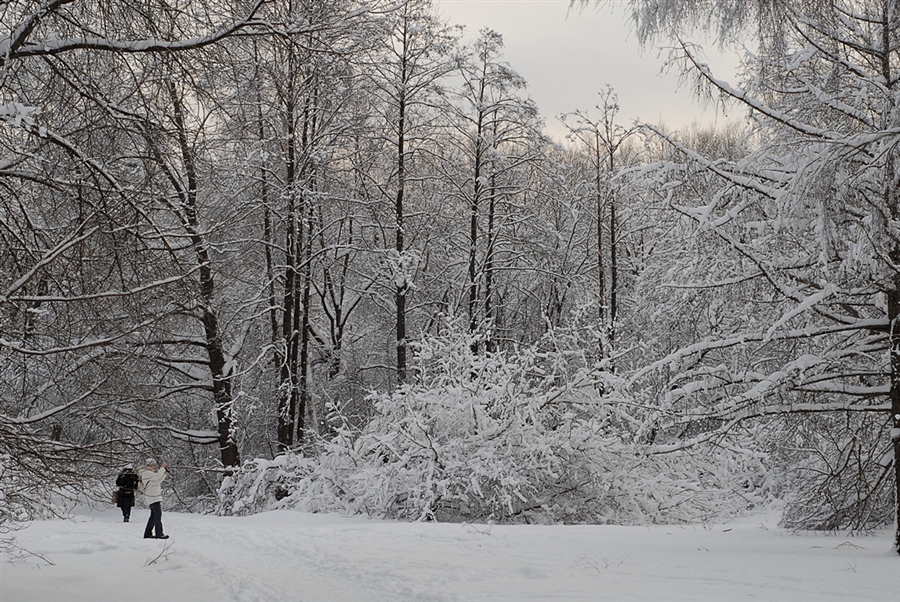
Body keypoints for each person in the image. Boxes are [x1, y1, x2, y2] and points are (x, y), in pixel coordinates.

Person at [139, 458, 169, 540]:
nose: (155, 467)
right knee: (157, 515)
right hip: (153, 497)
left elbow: (158, 480)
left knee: (153, 516)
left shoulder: (149, 473)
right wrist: (162, 468)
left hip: (154, 496)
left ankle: (148, 533)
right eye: (154, 465)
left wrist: (165, 472)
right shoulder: (146, 473)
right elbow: (157, 476)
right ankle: (159, 533)